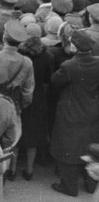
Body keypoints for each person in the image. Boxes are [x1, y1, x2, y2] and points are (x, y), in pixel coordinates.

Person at [50, 30, 99, 197]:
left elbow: (55, 82)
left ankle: (69, 187)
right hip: (93, 109)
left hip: (71, 110)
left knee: (68, 147)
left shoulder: (69, 66)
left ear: (74, 46)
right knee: (91, 145)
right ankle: (91, 184)